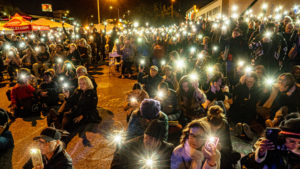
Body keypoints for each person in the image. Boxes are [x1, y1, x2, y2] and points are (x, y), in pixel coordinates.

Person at [61, 76, 101, 141]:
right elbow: (71, 103)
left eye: (83, 83)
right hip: (78, 111)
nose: (81, 85)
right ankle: (64, 132)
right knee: (66, 115)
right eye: (80, 83)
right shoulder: (78, 91)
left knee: (74, 122)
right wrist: (67, 97)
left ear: (88, 83)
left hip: (88, 114)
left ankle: (66, 136)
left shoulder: (92, 93)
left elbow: (92, 107)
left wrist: (82, 116)